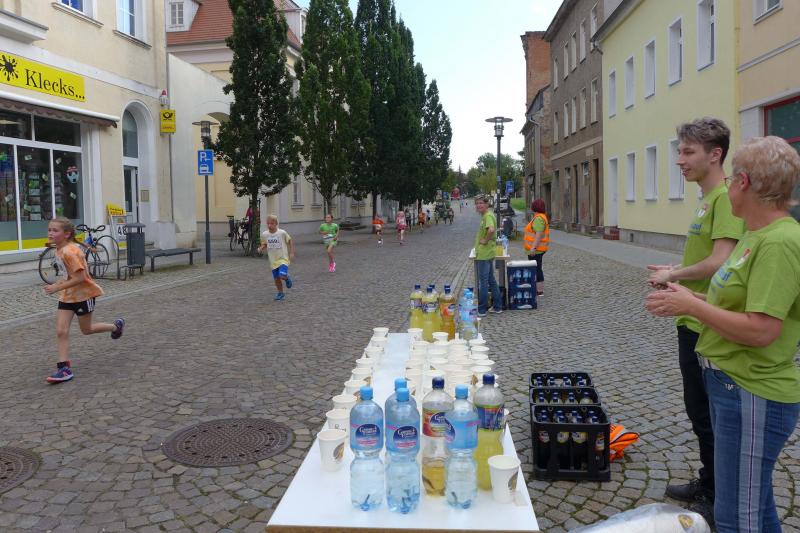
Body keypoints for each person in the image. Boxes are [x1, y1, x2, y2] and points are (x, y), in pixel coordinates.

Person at [646, 136, 800, 532]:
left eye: (732, 178)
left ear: (744, 183)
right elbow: (736, 303)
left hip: (753, 390)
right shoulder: (755, 234)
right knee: (758, 509)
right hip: (732, 384)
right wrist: (687, 298)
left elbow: (762, 330)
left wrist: (693, 306)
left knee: (736, 518)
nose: (727, 185)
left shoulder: (780, 242)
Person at [646, 118, 744, 520]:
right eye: (679, 151)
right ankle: (709, 480)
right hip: (690, 320)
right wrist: (677, 269)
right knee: (698, 410)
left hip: (707, 322)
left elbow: (721, 260)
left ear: (715, 154)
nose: (679, 160)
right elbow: (705, 257)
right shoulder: (707, 199)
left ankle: (719, 498)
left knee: (709, 415)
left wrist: (675, 275)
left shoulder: (724, 199)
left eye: (688, 152)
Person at [43, 217, 124, 384]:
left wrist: (57, 288)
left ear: (66, 234)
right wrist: (58, 285)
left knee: (86, 330)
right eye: (49, 229)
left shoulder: (70, 251)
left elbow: (80, 278)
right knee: (61, 331)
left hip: (84, 296)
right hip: (67, 296)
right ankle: (64, 369)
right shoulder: (59, 249)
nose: (50, 233)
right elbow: (68, 275)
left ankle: (116, 327)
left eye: (55, 230)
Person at [473, 195, 502, 317]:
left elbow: (491, 230)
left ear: (487, 204)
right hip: (487, 253)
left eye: (481, 203)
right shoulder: (486, 216)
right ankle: (497, 306)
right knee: (491, 280)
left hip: (484, 255)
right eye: (477, 203)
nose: (478, 205)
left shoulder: (488, 216)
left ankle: (482, 309)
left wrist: (485, 240)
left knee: (484, 282)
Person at [258, 214, 295, 300]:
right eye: (268, 223)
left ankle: (286, 278)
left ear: (276, 224)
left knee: (281, 275)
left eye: (271, 223)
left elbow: (290, 240)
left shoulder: (282, 233)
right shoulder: (265, 234)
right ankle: (280, 293)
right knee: (276, 279)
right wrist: (261, 248)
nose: (269, 225)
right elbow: (265, 243)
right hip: (273, 260)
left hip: (283, 259)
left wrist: (292, 252)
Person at [523, 199, 549, 296]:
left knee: (537, 269)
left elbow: (538, 235)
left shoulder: (538, 218)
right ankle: (538, 288)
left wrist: (533, 248)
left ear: (535, 207)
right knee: (537, 268)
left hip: (536, 250)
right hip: (537, 249)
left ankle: (539, 290)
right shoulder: (540, 217)